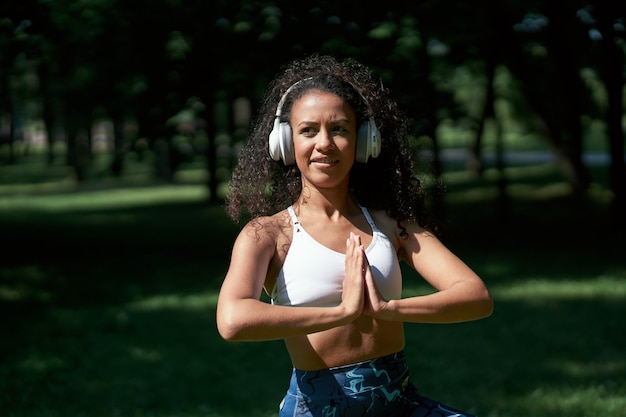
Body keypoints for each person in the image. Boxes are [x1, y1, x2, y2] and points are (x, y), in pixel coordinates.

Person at [216, 54, 493, 417]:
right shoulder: (268, 235)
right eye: (308, 130)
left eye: (340, 129)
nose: (325, 143)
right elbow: (233, 320)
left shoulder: (392, 224)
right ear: (285, 141)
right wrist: (342, 312)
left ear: (365, 141)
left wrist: (388, 309)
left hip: (400, 403)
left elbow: (476, 297)